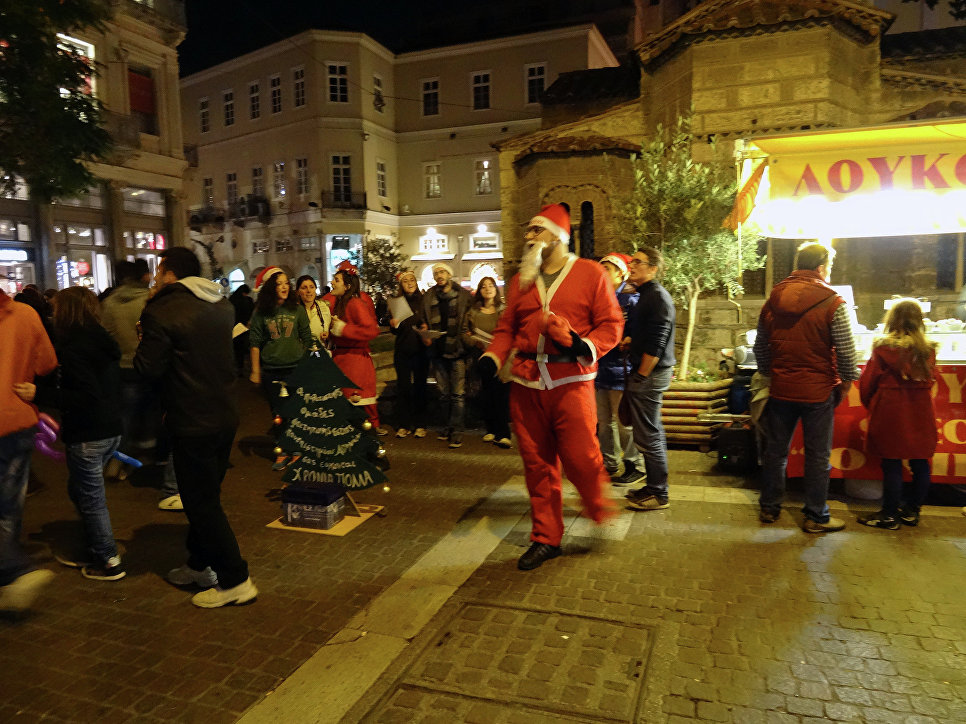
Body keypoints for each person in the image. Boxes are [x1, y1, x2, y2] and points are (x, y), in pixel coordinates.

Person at [478, 203, 623, 570]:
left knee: (581, 459)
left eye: (535, 231)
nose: (528, 238)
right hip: (526, 384)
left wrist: (583, 345)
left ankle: (597, 507)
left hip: (571, 384)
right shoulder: (520, 282)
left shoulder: (590, 274)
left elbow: (610, 324)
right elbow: (506, 328)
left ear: (557, 235)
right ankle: (546, 537)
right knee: (537, 464)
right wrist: (493, 358)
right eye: (528, 231)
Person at [134, 247, 256, 608]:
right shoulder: (220, 303)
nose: (155, 279)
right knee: (206, 496)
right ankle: (199, 563)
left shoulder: (162, 310)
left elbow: (147, 368)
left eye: (158, 272)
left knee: (201, 502)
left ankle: (235, 579)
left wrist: (144, 331)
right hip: (224, 414)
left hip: (191, 418)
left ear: (170, 273)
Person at [753, 242, 859, 533]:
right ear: (821, 267)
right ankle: (815, 516)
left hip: (781, 388)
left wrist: (770, 374)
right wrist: (848, 381)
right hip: (818, 391)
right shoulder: (833, 302)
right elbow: (847, 350)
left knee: (776, 451)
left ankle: (769, 508)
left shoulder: (773, 299)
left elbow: (760, 346)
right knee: (817, 456)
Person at [21, 287, 125, 580]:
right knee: (79, 489)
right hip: (109, 429)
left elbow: (85, 394)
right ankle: (94, 541)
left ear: (67, 312)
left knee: (91, 499)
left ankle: (107, 560)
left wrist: (39, 393)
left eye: (56, 308)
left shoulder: (74, 348)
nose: (52, 313)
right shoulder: (102, 341)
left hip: (89, 432)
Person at [0, 284, 57, 611]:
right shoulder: (25, 314)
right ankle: (11, 574)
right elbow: (47, 363)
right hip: (17, 421)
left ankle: (14, 569)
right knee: (8, 506)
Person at [858, 299, 937, 529]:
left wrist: (872, 404)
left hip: (891, 410)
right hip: (921, 411)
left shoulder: (884, 349)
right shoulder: (928, 351)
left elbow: (867, 383)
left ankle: (890, 515)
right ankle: (912, 511)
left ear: (891, 320)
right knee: (921, 462)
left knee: (891, 463)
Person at [623, 248, 676, 511]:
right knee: (651, 432)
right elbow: (648, 333)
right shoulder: (647, 295)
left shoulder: (656, 297)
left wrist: (641, 374)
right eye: (631, 261)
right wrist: (632, 342)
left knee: (648, 435)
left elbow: (657, 342)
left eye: (637, 262)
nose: (631, 266)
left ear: (653, 268)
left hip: (651, 375)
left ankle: (658, 493)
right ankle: (654, 486)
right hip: (650, 373)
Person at [248, 267, 312, 469]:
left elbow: (307, 337)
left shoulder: (297, 309)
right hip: (271, 370)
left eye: (286, 283)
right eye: (278, 284)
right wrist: (255, 370)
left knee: (295, 412)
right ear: (270, 287)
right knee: (278, 413)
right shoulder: (262, 313)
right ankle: (282, 450)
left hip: (296, 369)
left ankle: (296, 450)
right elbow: (255, 342)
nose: (284, 287)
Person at [593, 253, 645, 487]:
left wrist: (628, 340)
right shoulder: (597, 298)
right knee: (604, 421)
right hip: (600, 368)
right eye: (600, 267)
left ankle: (635, 465)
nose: (602, 272)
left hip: (620, 368)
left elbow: (634, 332)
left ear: (621, 273)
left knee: (624, 420)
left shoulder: (630, 298)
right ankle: (610, 463)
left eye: (608, 268)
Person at [419, 262, 473, 448]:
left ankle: (457, 430)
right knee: (443, 394)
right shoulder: (428, 297)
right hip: (437, 350)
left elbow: (469, 319)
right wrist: (425, 331)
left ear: (449, 275)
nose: (439, 275)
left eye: (442, 272)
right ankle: (447, 426)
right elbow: (423, 319)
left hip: (457, 350)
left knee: (458, 394)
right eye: (436, 273)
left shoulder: (463, 296)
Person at [327, 265, 382, 428]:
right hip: (343, 362)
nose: (332, 282)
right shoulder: (341, 303)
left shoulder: (355, 303)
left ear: (347, 286)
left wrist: (344, 329)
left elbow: (372, 330)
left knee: (357, 410)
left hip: (354, 364)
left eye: (336, 280)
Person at [463, 276, 512, 448]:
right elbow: (465, 332)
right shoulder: (473, 312)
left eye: (491, 285)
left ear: (496, 289)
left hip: (501, 359)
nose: (487, 289)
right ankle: (490, 429)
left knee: (502, 395)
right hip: (482, 356)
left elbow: (510, 331)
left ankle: (503, 433)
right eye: (483, 286)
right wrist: (473, 342)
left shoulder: (504, 310)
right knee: (487, 394)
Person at [389, 270, 429, 438]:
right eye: (406, 281)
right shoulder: (397, 303)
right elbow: (394, 330)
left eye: (412, 280)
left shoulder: (424, 301)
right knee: (403, 388)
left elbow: (428, 322)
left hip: (421, 351)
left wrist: (426, 328)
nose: (410, 283)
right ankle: (404, 424)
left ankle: (420, 424)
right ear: (401, 285)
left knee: (420, 387)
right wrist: (393, 324)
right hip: (403, 351)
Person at [294, 275, 331, 349]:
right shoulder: (293, 310)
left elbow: (330, 330)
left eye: (312, 287)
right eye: (304, 288)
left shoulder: (324, 307)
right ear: (298, 291)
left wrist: (328, 335)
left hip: (320, 353)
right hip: (300, 354)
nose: (309, 291)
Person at [229, 284, 255, 374]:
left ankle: (235, 367)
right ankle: (241, 367)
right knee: (242, 348)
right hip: (244, 328)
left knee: (235, 349)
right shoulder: (247, 301)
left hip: (233, 327)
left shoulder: (231, 300)